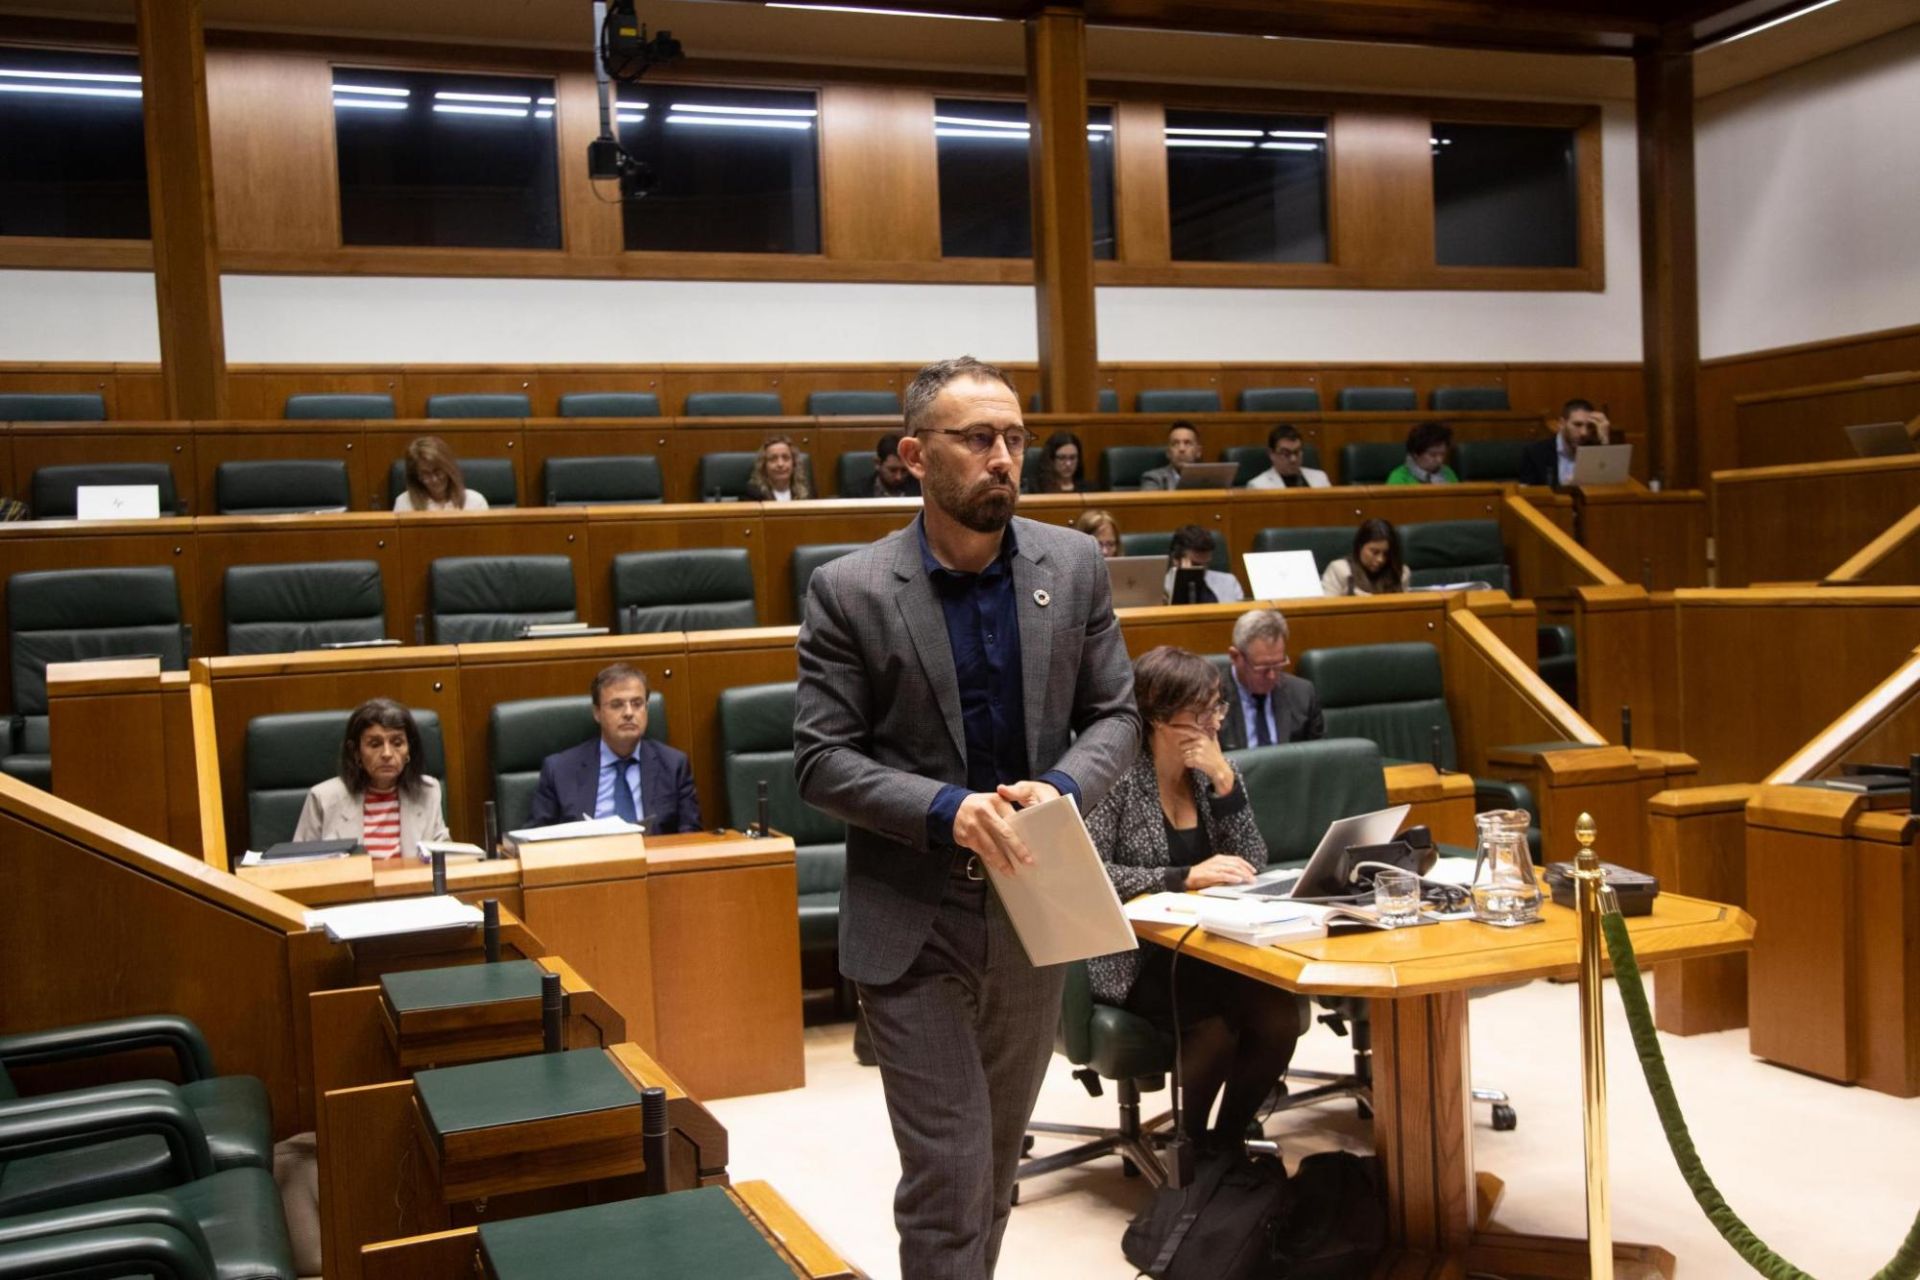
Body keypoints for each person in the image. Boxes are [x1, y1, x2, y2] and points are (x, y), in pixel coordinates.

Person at [793, 355, 1138, 1280]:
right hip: (913, 916)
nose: (1004, 458)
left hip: (1034, 906)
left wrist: (1062, 790)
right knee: (948, 1174)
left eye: (1015, 438)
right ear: (914, 455)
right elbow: (821, 760)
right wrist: (947, 810)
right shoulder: (851, 589)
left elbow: (1116, 715)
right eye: (978, 438)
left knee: (991, 1171)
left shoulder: (1070, 566)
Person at [1085, 646, 1303, 1151]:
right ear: (1159, 715)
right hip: (1136, 955)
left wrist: (1226, 784)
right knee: (1214, 1029)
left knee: (1280, 1018)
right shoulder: (1115, 779)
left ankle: (1225, 1144)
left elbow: (1252, 862)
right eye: (1200, 712)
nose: (1213, 723)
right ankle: (1191, 1149)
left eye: (1218, 709)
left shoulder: (1214, 774)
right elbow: (1091, 875)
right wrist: (1182, 876)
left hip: (1212, 944)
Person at [526, 663, 700, 833]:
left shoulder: (674, 765)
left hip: (654, 859)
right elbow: (534, 839)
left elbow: (690, 837)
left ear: (647, 709)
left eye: (637, 703)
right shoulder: (560, 769)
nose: (629, 713)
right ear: (597, 713)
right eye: (617, 705)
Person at [292, 698, 449, 859]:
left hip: (413, 884)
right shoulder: (323, 798)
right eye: (375, 744)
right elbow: (299, 866)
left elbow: (446, 858)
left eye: (397, 743)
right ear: (356, 752)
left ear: (409, 749)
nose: (387, 753)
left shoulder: (428, 792)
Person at [1217, 608, 1324, 749]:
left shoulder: (1302, 694)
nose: (1272, 676)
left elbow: (1321, 759)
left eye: (1279, 665)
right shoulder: (1210, 700)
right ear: (1235, 657)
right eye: (1262, 668)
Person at [1519, 398, 1613, 487]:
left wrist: (1604, 440)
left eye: (1589, 426)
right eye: (1577, 425)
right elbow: (1527, 495)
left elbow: (1610, 487)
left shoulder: (1595, 449)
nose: (1584, 433)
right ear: (1562, 424)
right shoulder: (1535, 452)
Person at [394, 436, 489, 511]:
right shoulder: (404, 503)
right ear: (417, 476)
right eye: (425, 474)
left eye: (438, 471)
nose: (434, 479)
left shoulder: (475, 501)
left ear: (448, 468)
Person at [1322, 517, 1411, 596]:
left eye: (1386, 554)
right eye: (1374, 552)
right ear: (1360, 546)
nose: (1381, 559)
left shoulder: (1401, 573)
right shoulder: (1339, 570)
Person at [1162, 524, 1245, 606]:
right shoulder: (1160, 589)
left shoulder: (1229, 582)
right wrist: (1185, 580)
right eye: (1196, 564)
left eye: (1206, 564)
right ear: (1176, 560)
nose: (1203, 569)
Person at [1245, 423, 1329, 489]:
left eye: (1296, 452)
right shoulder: (1258, 486)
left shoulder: (1320, 477)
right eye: (1286, 453)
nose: (1293, 459)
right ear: (1271, 454)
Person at [1385, 421, 1458, 485]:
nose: (1440, 460)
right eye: (1433, 455)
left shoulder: (1448, 473)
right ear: (1415, 454)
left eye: (1443, 454)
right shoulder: (1399, 478)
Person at [1138, 420, 1204, 491]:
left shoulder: (1208, 479)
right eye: (1175, 444)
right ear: (1168, 452)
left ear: (1198, 451)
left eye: (1187, 443)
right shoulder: (1153, 479)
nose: (1181, 449)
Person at [746, 434, 811, 502]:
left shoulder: (806, 493)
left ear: (794, 463)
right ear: (764, 466)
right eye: (773, 459)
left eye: (786, 458)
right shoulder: (752, 496)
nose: (780, 464)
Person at [1025, 430, 1084, 494]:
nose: (1068, 464)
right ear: (1051, 459)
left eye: (1072, 458)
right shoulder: (1037, 489)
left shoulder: (1090, 490)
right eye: (1062, 458)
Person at [871, 432, 922, 498]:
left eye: (904, 471)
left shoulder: (921, 490)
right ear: (877, 463)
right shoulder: (857, 491)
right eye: (892, 470)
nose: (898, 477)